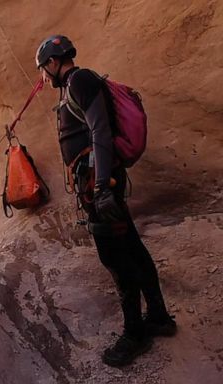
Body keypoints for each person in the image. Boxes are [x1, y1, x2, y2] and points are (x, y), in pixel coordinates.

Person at [35, 35, 176, 367]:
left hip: (100, 187)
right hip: (99, 185)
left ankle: (135, 333)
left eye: (44, 69)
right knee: (132, 247)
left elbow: (99, 131)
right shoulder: (74, 85)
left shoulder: (80, 80)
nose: (43, 77)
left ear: (53, 63)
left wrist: (100, 188)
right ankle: (158, 316)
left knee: (115, 258)